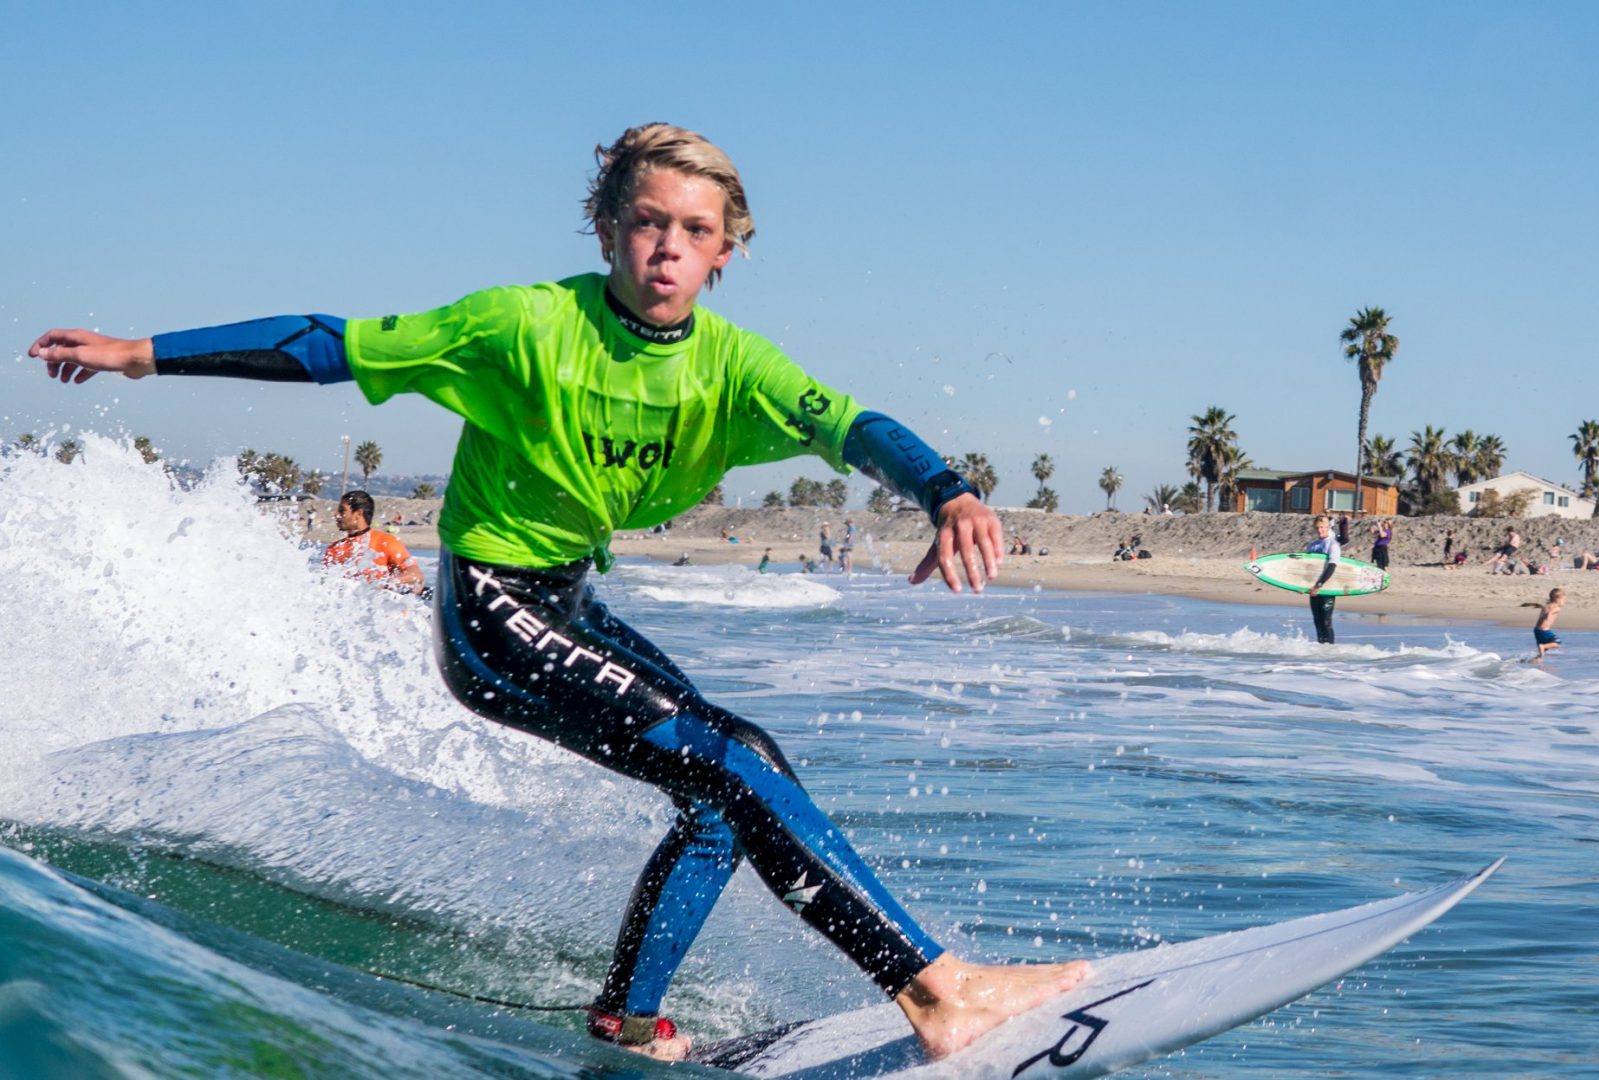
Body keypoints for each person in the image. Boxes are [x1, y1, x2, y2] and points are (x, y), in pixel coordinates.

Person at [29, 122, 1086, 1063]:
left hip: (568, 602)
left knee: (722, 798)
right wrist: (140, 355)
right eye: (645, 222)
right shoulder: (522, 326)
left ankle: (625, 1020)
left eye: (693, 229)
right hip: (491, 611)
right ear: (606, 230)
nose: (666, 246)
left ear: (727, 250)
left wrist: (945, 491)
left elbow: (855, 426)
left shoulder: (734, 366)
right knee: (741, 758)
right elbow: (329, 342)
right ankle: (937, 990)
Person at [322, 490, 426, 595]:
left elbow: (415, 575)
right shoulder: (334, 549)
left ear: (358, 513)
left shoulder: (386, 542)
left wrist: (385, 583)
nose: (336, 515)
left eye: (342, 511)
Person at [1304, 514, 1341, 644]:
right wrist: (1300, 586)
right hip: (1313, 588)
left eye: (1323, 527)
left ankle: (1330, 650)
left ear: (1328, 527)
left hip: (1327, 588)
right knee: (1317, 620)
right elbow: (1306, 569)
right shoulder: (1312, 546)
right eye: (1318, 528)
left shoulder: (1333, 544)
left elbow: (1331, 566)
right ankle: (1322, 650)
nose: (1320, 530)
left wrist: (1318, 585)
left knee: (1326, 620)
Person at [1521, 587, 1565, 660]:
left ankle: (1537, 660)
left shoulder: (1546, 606)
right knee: (1557, 642)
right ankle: (1543, 647)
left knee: (1544, 648)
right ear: (1557, 599)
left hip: (1537, 630)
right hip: (1544, 630)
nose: (1563, 602)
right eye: (1563, 600)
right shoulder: (1557, 608)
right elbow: (1551, 613)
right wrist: (1548, 616)